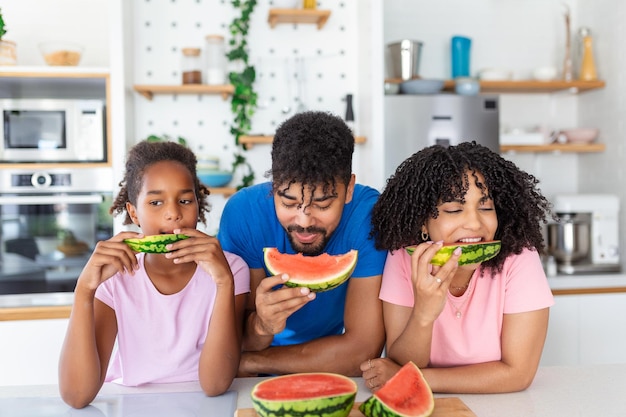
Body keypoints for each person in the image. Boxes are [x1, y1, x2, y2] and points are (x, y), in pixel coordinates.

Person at [59, 141, 249, 408]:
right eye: (156, 202)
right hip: (131, 405)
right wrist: (84, 291)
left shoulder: (231, 269)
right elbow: (77, 395)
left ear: (198, 204)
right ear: (133, 213)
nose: (173, 214)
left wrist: (223, 281)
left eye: (185, 200)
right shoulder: (116, 277)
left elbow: (215, 384)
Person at [361, 142, 554, 394]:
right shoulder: (404, 257)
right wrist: (423, 314)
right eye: (454, 209)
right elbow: (405, 363)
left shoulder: (519, 257)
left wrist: (416, 379)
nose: (474, 223)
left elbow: (518, 374)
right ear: (423, 223)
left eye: (486, 207)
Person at [218, 111, 387, 376]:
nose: (304, 220)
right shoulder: (244, 214)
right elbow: (232, 343)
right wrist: (261, 325)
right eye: (288, 202)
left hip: (320, 368)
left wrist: (251, 361)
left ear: (349, 189)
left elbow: (362, 350)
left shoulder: (368, 216)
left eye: (322, 204)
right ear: (273, 187)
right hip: (266, 373)